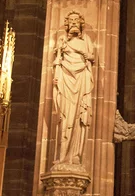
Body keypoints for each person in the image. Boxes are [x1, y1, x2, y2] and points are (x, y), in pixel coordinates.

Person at [53, 11, 94, 167]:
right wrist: (56, 77)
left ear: (81, 23)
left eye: (77, 20)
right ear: (67, 23)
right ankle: (62, 156)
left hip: (81, 79)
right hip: (66, 78)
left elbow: (92, 57)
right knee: (65, 117)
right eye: (71, 20)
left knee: (78, 117)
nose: (74, 22)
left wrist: (83, 53)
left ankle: (75, 155)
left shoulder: (86, 40)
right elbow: (57, 61)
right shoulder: (62, 40)